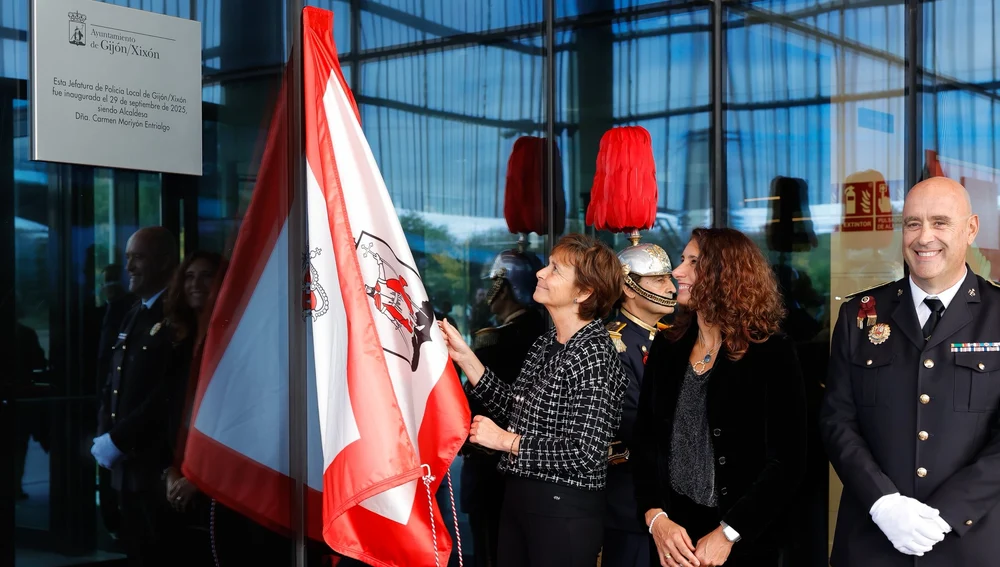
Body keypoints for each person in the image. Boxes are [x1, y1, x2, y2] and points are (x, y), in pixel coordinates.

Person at [821, 177, 1000, 567]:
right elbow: (837, 420)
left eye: (940, 222)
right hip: (872, 543)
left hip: (970, 545)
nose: (924, 237)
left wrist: (949, 513)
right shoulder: (859, 315)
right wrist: (883, 502)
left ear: (971, 229)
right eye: (913, 223)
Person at [439, 233, 627, 567]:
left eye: (555, 269)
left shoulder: (595, 354)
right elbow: (518, 409)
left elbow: (585, 452)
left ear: (585, 292)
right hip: (521, 499)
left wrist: (505, 440)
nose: (541, 273)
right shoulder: (546, 344)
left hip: (562, 512)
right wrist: (467, 358)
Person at [633, 227, 807, 567]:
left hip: (745, 541)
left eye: (693, 263)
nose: (678, 271)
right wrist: (656, 518)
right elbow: (646, 442)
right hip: (674, 540)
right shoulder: (667, 347)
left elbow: (789, 461)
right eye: (682, 260)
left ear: (726, 275)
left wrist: (729, 532)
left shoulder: (772, 352)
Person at [92, 227, 193, 566]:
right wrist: (107, 433)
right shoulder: (135, 310)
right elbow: (113, 379)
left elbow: (166, 392)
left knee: (160, 551)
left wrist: (117, 439)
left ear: (164, 261)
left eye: (138, 257)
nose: (129, 267)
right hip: (127, 464)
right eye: (127, 258)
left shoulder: (176, 314)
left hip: (156, 466)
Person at [461, 248, 546, 567]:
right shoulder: (541, 332)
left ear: (505, 286)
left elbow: (474, 404)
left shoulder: (494, 341)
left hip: (490, 470)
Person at [603, 238, 677, 567]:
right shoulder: (613, 342)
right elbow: (635, 423)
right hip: (628, 500)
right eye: (659, 279)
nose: (672, 287)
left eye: (669, 277)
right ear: (629, 287)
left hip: (667, 495)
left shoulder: (668, 337)